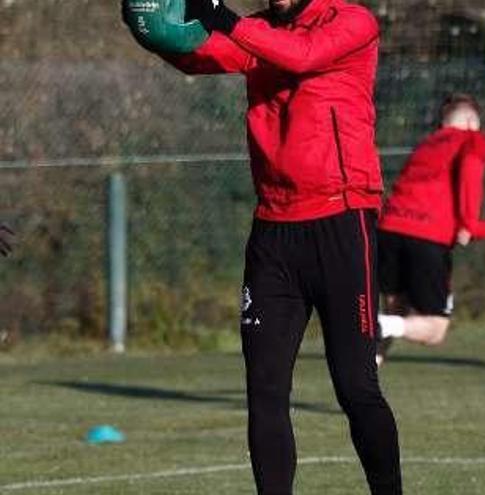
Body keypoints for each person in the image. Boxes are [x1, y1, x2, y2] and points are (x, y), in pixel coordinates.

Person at [121, 0, 402, 493]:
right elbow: (199, 55)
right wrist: (155, 28)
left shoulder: (351, 21)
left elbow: (302, 55)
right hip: (274, 229)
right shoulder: (260, 29)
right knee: (266, 393)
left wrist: (221, 15)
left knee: (356, 389)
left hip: (341, 219)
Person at [375, 94, 485, 365]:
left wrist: (481, 228)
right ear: (470, 121)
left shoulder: (427, 145)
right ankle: (378, 325)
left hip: (389, 230)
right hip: (426, 240)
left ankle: (361, 387)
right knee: (433, 329)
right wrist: (477, 225)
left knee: (396, 312)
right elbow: (470, 181)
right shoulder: (471, 140)